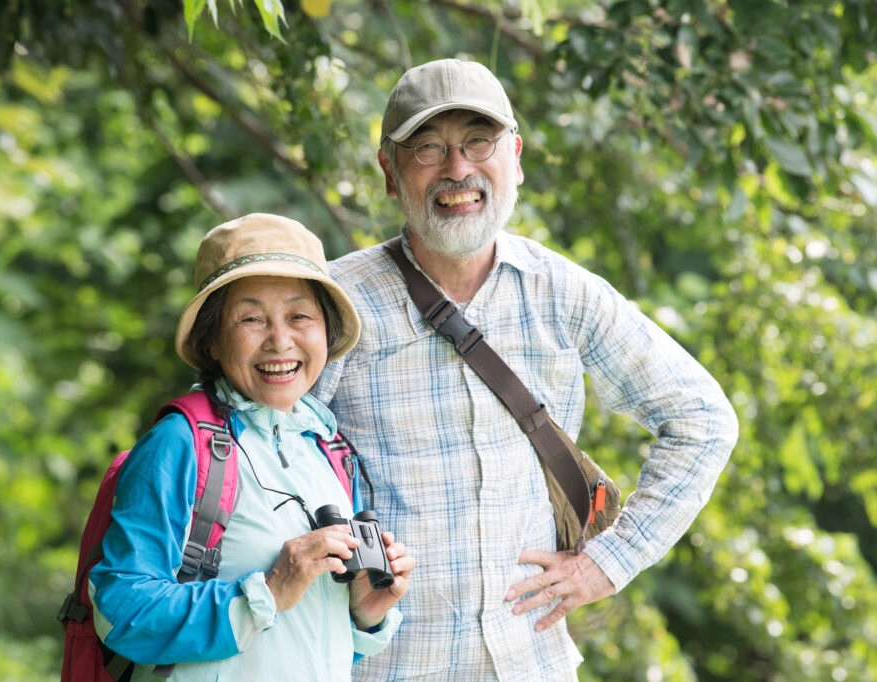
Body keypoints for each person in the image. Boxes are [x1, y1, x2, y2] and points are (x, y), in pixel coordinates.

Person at [312, 59, 739, 680]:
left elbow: (703, 419)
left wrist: (609, 562)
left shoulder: (562, 291)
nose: (457, 169)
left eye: (477, 142)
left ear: (515, 157)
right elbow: (256, 457)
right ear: (389, 171)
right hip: (382, 665)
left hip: (530, 663)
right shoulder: (330, 303)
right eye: (428, 148)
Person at [89, 213, 414, 681]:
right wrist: (271, 589)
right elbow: (118, 611)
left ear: (325, 331)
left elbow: (297, 643)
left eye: (300, 316)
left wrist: (364, 613)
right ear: (213, 340)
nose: (280, 340)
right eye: (251, 318)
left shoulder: (327, 450)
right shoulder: (181, 443)